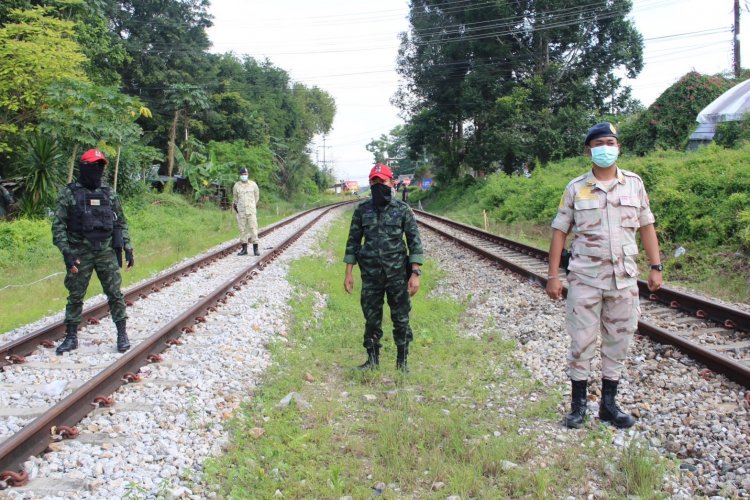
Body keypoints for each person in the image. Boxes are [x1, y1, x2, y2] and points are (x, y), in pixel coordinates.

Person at [546, 122, 663, 429]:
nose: (605, 148)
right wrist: (553, 276)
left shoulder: (634, 184)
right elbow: (559, 232)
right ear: (589, 150)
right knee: (581, 342)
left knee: (618, 342)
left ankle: (608, 406)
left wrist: (656, 265)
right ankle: (578, 408)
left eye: (610, 142)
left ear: (618, 147)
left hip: (623, 279)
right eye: (599, 143)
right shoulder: (576, 188)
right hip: (585, 279)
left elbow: (647, 225)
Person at [343, 163, 424, 372]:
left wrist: (415, 273)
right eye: (374, 182)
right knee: (371, 318)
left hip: (397, 275)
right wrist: (349, 274)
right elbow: (353, 242)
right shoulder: (362, 210)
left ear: (391, 182)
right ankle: (372, 361)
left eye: (382, 181)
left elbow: (414, 241)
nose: (378, 185)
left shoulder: (402, 210)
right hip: (370, 276)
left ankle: (402, 363)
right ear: (370, 183)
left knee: (401, 318)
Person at [52, 149, 134, 355]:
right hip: (80, 252)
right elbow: (58, 226)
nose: (98, 170)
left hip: (106, 251)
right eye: (94, 166)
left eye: (101, 166)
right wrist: (66, 252)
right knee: (75, 296)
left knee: (115, 294)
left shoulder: (109, 193)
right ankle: (71, 337)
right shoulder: (69, 193)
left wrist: (127, 246)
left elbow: (121, 222)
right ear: (84, 167)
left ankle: (122, 334)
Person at [232, 167, 260, 256]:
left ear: (247, 175)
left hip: (251, 211)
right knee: (242, 230)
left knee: (253, 228)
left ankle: (256, 249)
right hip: (241, 211)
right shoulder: (236, 185)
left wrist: (252, 205)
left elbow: (257, 196)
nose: (244, 176)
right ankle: (244, 249)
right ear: (240, 175)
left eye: (245, 174)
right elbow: (235, 199)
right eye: (242, 174)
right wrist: (238, 209)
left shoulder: (253, 185)